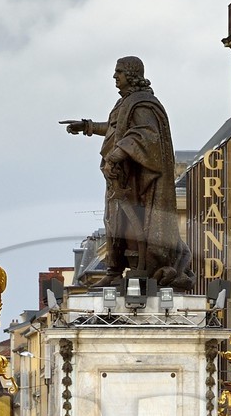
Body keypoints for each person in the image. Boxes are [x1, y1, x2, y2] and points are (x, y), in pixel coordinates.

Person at [63, 57, 192, 288]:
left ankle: (140, 268)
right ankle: (114, 271)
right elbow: (116, 130)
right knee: (114, 222)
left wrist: (116, 155)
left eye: (119, 72)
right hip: (120, 177)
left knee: (132, 225)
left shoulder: (142, 104)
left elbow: (143, 135)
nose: (115, 77)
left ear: (131, 74)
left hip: (138, 181)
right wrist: (89, 127)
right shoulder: (124, 103)